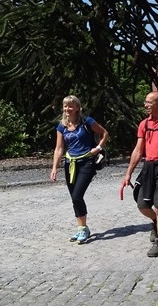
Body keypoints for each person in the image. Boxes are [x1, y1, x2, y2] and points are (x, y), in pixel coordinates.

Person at [122, 91, 158, 257]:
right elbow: (138, 150)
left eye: (149, 102)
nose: (145, 105)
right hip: (148, 166)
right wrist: (128, 174)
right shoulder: (144, 124)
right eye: (145, 102)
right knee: (142, 205)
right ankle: (156, 221)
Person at [50, 95, 109, 244]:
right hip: (70, 164)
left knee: (77, 196)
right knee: (74, 199)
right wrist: (54, 168)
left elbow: (104, 133)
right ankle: (82, 228)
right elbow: (59, 148)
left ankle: (83, 228)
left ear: (77, 107)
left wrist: (98, 147)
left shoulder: (86, 122)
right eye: (65, 106)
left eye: (70, 106)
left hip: (86, 163)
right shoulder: (61, 126)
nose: (67, 109)